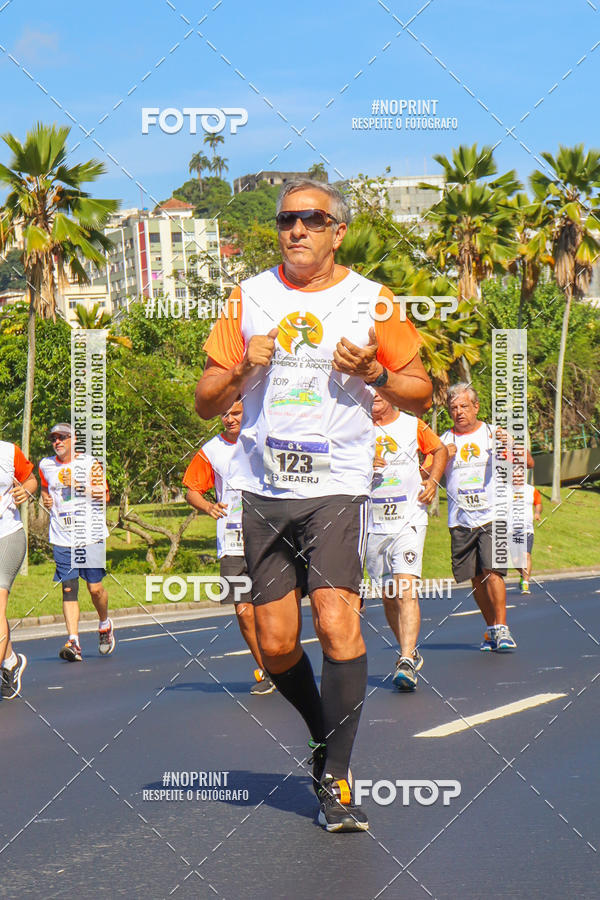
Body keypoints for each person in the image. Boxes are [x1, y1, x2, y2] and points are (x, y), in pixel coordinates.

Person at [195, 178, 432, 832]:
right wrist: (244, 365)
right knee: (275, 646)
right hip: (264, 492)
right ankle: (324, 738)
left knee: (336, 622)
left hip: (338, 487)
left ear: (338, 231)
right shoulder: (248, 298)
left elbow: (422, 391)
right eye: (286, 220)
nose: (296, 230)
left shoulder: (372, 301)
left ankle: (336, 780)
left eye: (311, 219)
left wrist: (376, 373)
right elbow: (205, 399)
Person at [183, 400, 276, 695]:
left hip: (268, 535)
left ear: (246, 412)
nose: (229, 418)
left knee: (272, 607)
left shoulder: (264, 436)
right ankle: (268, 670)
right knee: (243, 609)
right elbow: (191, 490)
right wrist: (208, 505)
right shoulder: (211, 449)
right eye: (224, 414)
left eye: (235, 413)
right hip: (232, 539)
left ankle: (285, 663)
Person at [440, 384, 533, 652]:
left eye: (464, 407)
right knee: (476, 577)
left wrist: (511, 445)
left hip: (493, 515)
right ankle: (491, 628)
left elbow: (526, 461)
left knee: (493, 571)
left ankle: (502, 628)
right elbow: (426, 474)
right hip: (460, 519)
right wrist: (441, 456)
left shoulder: (493, 433)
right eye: (453, 408)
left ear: (476, 407)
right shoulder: (445, 439)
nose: (458, 412)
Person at [365, 395, 448, 690]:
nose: (374, 396)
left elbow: (439, 450)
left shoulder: (412, 425)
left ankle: (405, 660)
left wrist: (433, 480)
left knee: (405, 589)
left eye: (379, 391)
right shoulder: (356, 425)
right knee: (389, 594)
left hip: (409, 519)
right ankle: (409, 650)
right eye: (368, 391)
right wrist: (360, 461)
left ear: (389, 395)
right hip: (373, 525)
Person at [39, 424, 115, 662]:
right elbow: (44, 488)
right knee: (69, 588)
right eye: (53, 438)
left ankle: (104, 624)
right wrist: (46, 499)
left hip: (89, 535)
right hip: (61, 536)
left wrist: (79, 486)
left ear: (74, 440)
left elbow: (105, 495)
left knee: (95, 589)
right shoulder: (45, 465)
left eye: (62, 437)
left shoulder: (89, 463)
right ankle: (74, 641)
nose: (57, 442)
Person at [0, 441, 37, 700]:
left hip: (7, 536)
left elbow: (30, 479)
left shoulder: (7, 451)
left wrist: (25, 490)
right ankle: (10, 660)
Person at [513, 483, 542, 594]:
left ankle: (525, 582)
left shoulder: (531, 490)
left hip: (527, 529)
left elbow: (538, 503)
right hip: (512, 530)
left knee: (526, 555)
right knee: (514, 561)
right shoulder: (506, 490)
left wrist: (537, 512)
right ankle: (523, 574)